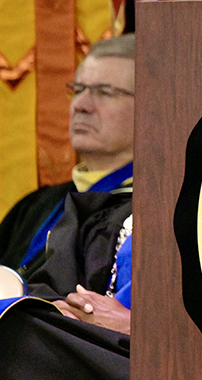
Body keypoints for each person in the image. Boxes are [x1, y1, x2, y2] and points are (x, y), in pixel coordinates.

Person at [0, 36, 136, 378]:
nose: (82, 105)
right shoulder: (37, 204)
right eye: (78, 89)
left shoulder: (158, 208)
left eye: (105, 92)